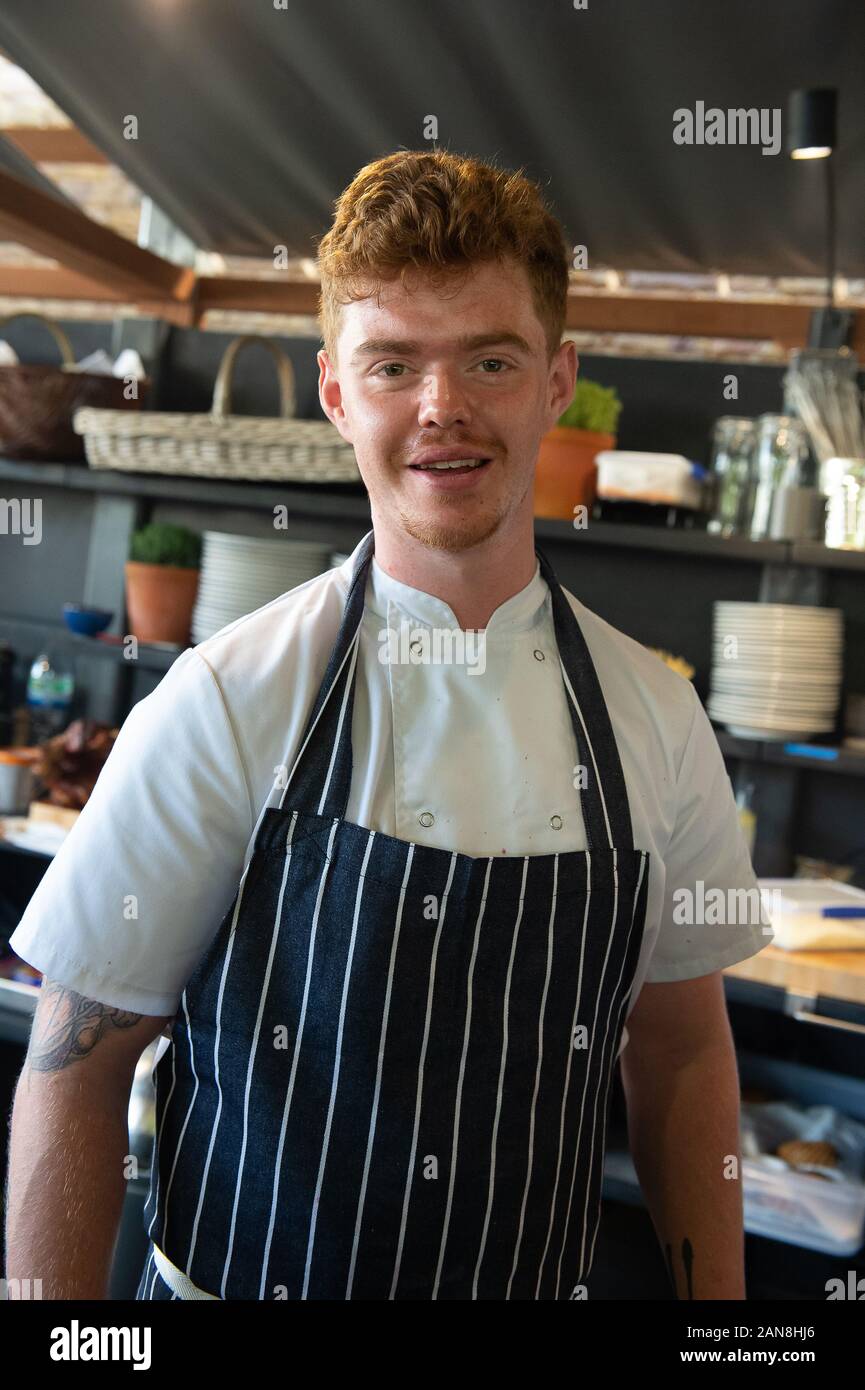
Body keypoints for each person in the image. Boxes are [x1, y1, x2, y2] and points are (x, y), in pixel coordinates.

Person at [5, 149, 772, 1301]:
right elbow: (76, 1065)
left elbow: (680, 1056)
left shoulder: (652, 718)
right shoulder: (228, 698)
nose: (441, 408)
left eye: (490, 359)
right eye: (392, 364)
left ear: (557, 380)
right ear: (334, 392)